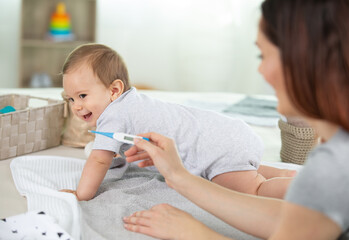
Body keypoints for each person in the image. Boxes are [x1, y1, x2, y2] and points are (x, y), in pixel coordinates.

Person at [122, 0, 349, 239]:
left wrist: (194, 233)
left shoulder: (337, 167)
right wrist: (179, 177)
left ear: (304, 59)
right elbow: (301, 219)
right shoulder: (344, 147)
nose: (261, 71)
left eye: (263, 55)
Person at [60, 43, 295, 201]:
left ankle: (302, 189)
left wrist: (81, 195)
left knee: (253, 190)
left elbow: (99, 160)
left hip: (214, 150)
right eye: (70, 99)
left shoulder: (113, 115)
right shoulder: (134, 102)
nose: (76, 106)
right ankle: (289, 176)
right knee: (247, 170)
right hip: (228, 134)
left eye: (82, 96)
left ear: (114, 90)